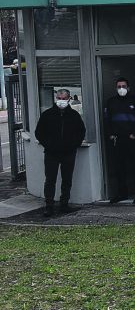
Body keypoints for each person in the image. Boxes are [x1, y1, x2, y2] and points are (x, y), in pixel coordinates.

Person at [34, 88, 86, 217]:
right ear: (56, 99)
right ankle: (49, 206)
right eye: (59, 98)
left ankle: (64, 204)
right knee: (50, 180)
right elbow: (39, 132)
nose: (61, 101)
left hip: (68, 153)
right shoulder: (48, 115)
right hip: (51, 153)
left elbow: (81, 132)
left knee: (67, 179)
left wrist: (74, 145)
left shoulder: (74, 115)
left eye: (63, 99)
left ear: (69, 99)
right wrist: (49, 145)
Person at [104, 77, 135, 204]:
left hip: (133, 139)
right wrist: (111, 134)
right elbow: (107, 120)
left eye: (123, 86)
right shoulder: (111, 102)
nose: (121, 89)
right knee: (119, 168)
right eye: (119, 86)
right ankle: (122, 194)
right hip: (118, 140)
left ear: (128, 88)